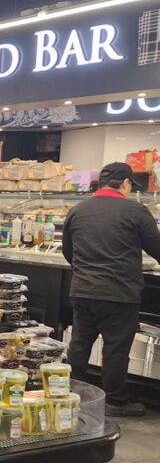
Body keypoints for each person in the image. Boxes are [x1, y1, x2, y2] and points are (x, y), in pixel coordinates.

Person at [63, 162, 160, 417]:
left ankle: (71, 393)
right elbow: (157, 248)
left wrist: (85, 270)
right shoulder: (136, 211)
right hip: (119, 292)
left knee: (80, 343)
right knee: (116, 348)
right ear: (126, 183)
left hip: (83, 289)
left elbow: (67, 251)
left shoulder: (78, 209)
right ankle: (116, 401)